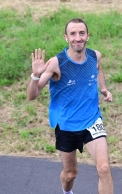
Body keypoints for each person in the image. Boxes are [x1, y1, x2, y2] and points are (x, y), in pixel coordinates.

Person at [27, 18, 114, 194]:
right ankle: (67, 192)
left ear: (88, 36)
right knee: (70, 174)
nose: (77, 38)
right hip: (66, 124)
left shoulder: (94, 55)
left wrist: (104, 88)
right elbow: (32, 95)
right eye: (72, 34)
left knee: (104, 168)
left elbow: (98, 68)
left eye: (81, 33)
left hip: (91, 120)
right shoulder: (56, 63)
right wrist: (35, 76)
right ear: (66, 37)